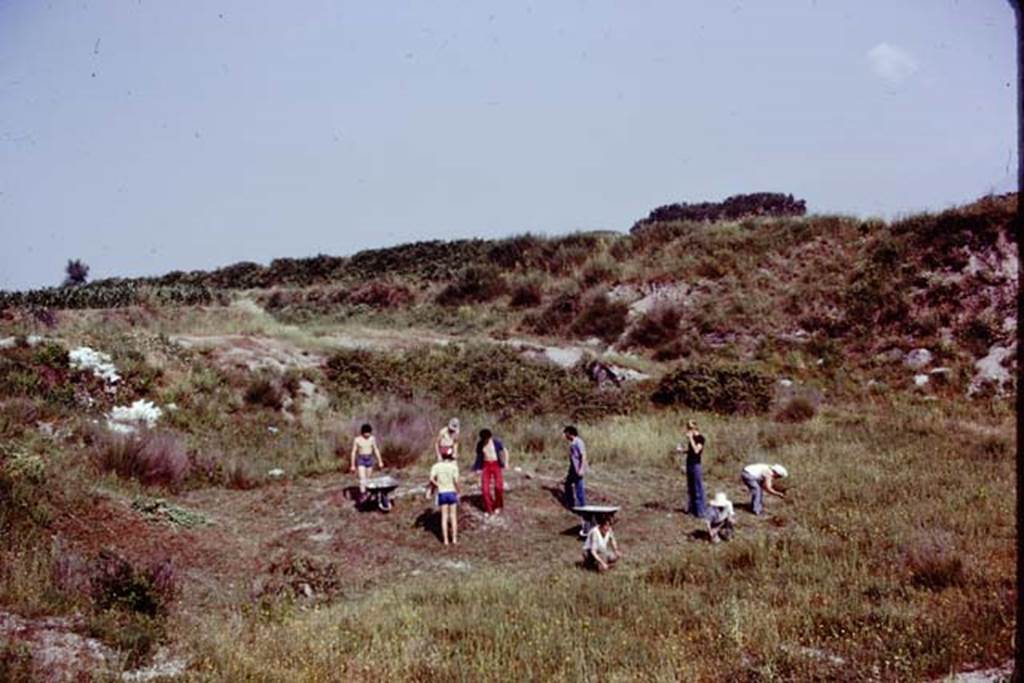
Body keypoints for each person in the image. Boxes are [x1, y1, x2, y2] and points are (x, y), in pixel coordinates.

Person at [472, 428, 508, 516]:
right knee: (485, 489)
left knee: (498, 487)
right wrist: (477, 468)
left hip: (495, 464)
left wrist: (506, 462)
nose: (486, 440)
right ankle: (489, 509)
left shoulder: (496, 442)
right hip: (486, 465)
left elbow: (505, 451)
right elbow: (479, 457)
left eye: (487, 438)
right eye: (484, 439)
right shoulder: (480, 444)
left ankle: (498, 505)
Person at [429, 449, 461, 545]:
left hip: (442, 492)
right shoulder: (453, 467)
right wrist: (459, 492)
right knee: (453, 517)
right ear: (451, 457)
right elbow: (456, 481)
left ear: (442, 456)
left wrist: (437, 484)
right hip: (452, 492)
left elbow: (431, 479)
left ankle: (445, 540)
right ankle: (454, 539)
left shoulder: (436, 466)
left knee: (444, 517)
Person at [676, 420, 706, 518]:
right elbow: (691, 451)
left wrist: (691, 439)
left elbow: (697, 451)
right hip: (689, 464)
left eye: (690, 428)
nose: (688, 430)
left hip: (696, 465)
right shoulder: (692, 438)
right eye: (688, 427)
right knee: (691, 487)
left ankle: (700, 511)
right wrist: (682, 451)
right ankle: (691, 509)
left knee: (698, 488)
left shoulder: (700, 438)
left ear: (695, 428)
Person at [350, 423, 384, 502]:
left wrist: (380, 461)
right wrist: (352, 465)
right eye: (366, 433)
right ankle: (362, 495)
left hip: (369, 459)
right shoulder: (357, 439)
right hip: (361, 459)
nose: (367, 434)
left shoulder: (372, 439)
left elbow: (376, 449)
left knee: (368, 480)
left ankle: (368, 495)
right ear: (362, 432)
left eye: (369, 433)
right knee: (362, 479)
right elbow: (353, 452)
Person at [563, 425, 588, 510]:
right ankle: (571, 503)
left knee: (579, 486)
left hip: (578, 468)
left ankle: (582, 506)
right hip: (573, 468)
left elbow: (583, 456)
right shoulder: (572, 443)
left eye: (566, 433)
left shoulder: (578, 442)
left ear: (570, 433)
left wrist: (581, 469)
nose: (565, 435)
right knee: (567, 484)